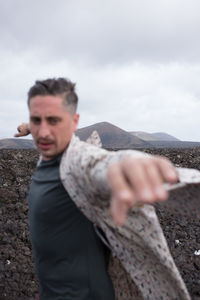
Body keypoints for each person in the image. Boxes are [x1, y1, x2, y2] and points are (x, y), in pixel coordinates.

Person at [15, 78, 190, 300]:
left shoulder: (78, 163)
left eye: (54, 120)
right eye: (36, 120)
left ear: (74, 121)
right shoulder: (49, 151)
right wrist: (27, 127)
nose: (44, 133)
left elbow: (102, 164)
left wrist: (126, 164)